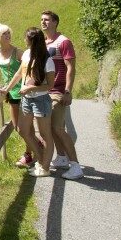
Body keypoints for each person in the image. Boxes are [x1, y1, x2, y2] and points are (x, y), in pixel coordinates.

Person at [1, 27, 56, 177]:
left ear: (31, 40)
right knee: (23, 130)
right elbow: (20, 73)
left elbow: (49, 85)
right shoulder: (26, 54)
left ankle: (44, 168)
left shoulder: (46, 59)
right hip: (26, 99)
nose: (24, 40)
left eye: (26, 38)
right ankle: (40, 159)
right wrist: (7, 89)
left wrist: (31, 89)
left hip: (40, 100)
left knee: (45, 135)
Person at [42, 10, 83, 180]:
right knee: (51, 128)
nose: (43, 22)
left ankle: (75, 166)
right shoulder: (44, 43)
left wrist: (68, 91)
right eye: (42, 20)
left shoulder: (63, 42)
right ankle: (61, 158)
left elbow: (71, 67)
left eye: (47, 20)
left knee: (58, 128)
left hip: (58, 91)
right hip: (46, 91)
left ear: (55, 22)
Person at [0, 23, 35, 168]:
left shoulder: (18, 52)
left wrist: (28, 84)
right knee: (17, 126)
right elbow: (5, 73)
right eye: (4, 34)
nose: (8, 36)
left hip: (22, 92)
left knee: (26, 127)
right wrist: (4, 87)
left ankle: (29, 154)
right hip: (10, 92)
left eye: (9, 33)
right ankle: (37, 144)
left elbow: (29, 68)